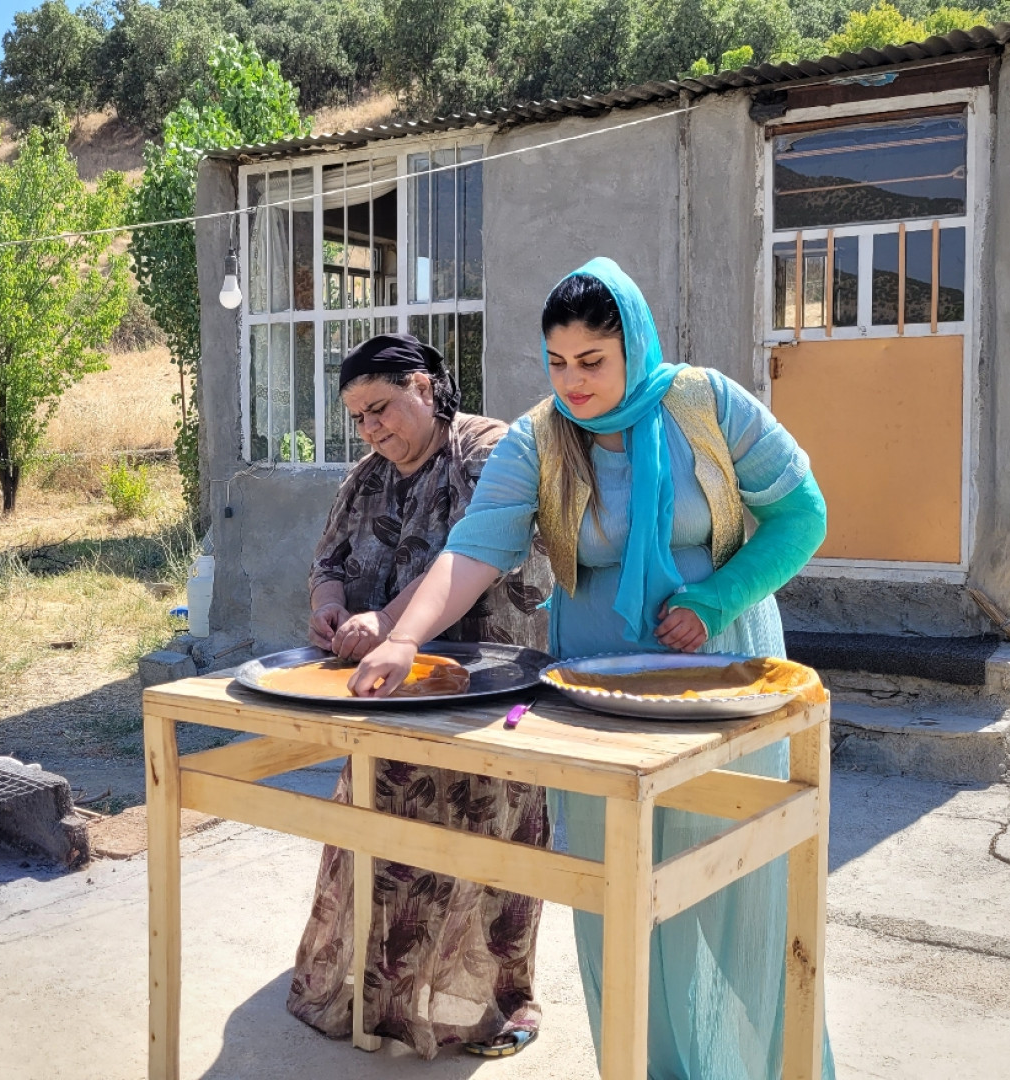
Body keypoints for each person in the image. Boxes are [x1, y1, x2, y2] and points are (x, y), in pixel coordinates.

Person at [347, 259, 837, 1078]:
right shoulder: (540, 438)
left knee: (740, 895)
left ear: (634, 345)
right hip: (597, 693)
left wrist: (715, 598)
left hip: (720, 679)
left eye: (592, 361)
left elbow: (802, 514)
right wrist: (404, 636)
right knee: (622, 901)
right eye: (557, 362)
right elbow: (473, 550)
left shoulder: (706, 405)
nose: (573, 382)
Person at [288, 332, 553, 1060]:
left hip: (489, 688)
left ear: (426, 389)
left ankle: (493, 1003)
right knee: (387, 843)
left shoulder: (487, 453)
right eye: (358, 418)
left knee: (487, 839)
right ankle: (385, 1001)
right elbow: (329, 559)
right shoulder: (367, 477)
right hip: (388, 694)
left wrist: (391, 622)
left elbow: (476, 555)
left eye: (381, 408)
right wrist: (331, 606)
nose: (371, 429)